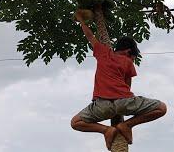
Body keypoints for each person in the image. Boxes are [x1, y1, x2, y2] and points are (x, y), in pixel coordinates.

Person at [71, 10, 167, 150]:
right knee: (161, 108)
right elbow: (127, 85)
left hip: (101, 105)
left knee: (76, 122)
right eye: (133, 57)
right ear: (128, 52)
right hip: (124, 101)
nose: (132, 59)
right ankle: (127, 125)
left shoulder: (103, 53)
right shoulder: (127, 62)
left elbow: (90, 35)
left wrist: (81, 19)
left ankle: (105, 130)